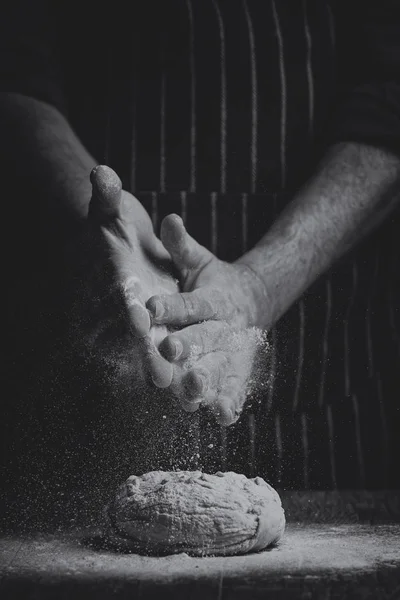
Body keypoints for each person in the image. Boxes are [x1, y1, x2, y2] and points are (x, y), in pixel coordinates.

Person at [1, 1, 399, 528]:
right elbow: (14, 68)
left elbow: (389, 99)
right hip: (86, 383)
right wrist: (102, 212)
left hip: (325, 384)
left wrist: (260, 284)